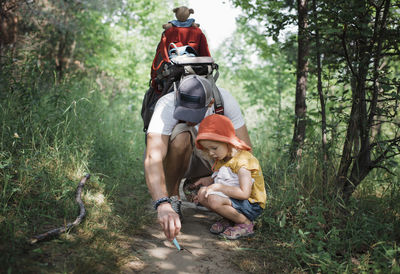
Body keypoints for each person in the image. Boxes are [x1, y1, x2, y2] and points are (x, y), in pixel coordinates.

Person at [144, 74, 252, 241]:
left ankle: (200, 181)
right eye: (184, 111)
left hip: (212, 159)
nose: (188, 118)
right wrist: (162, 204)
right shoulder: (166, 104)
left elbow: (245, 152)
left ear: (209, 104)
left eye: (194, 114)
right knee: (180, 134)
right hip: (180, 153)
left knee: (211, 194)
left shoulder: (224, 101)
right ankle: (174, 198)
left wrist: (218, 179)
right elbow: (153, 156)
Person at [193, 114, 266, 239]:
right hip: (235, 200)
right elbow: (224, 178)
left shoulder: (243, 161)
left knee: (214, 199)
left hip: (250, 204)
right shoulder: (223, 158)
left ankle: (246, 224)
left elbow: (244, 193)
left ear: (227, 142)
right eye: (207, 149)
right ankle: (230, 218)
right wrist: (209, 181)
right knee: (202, 194)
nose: (210, 153)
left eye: (214, 148)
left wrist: (217, 187)